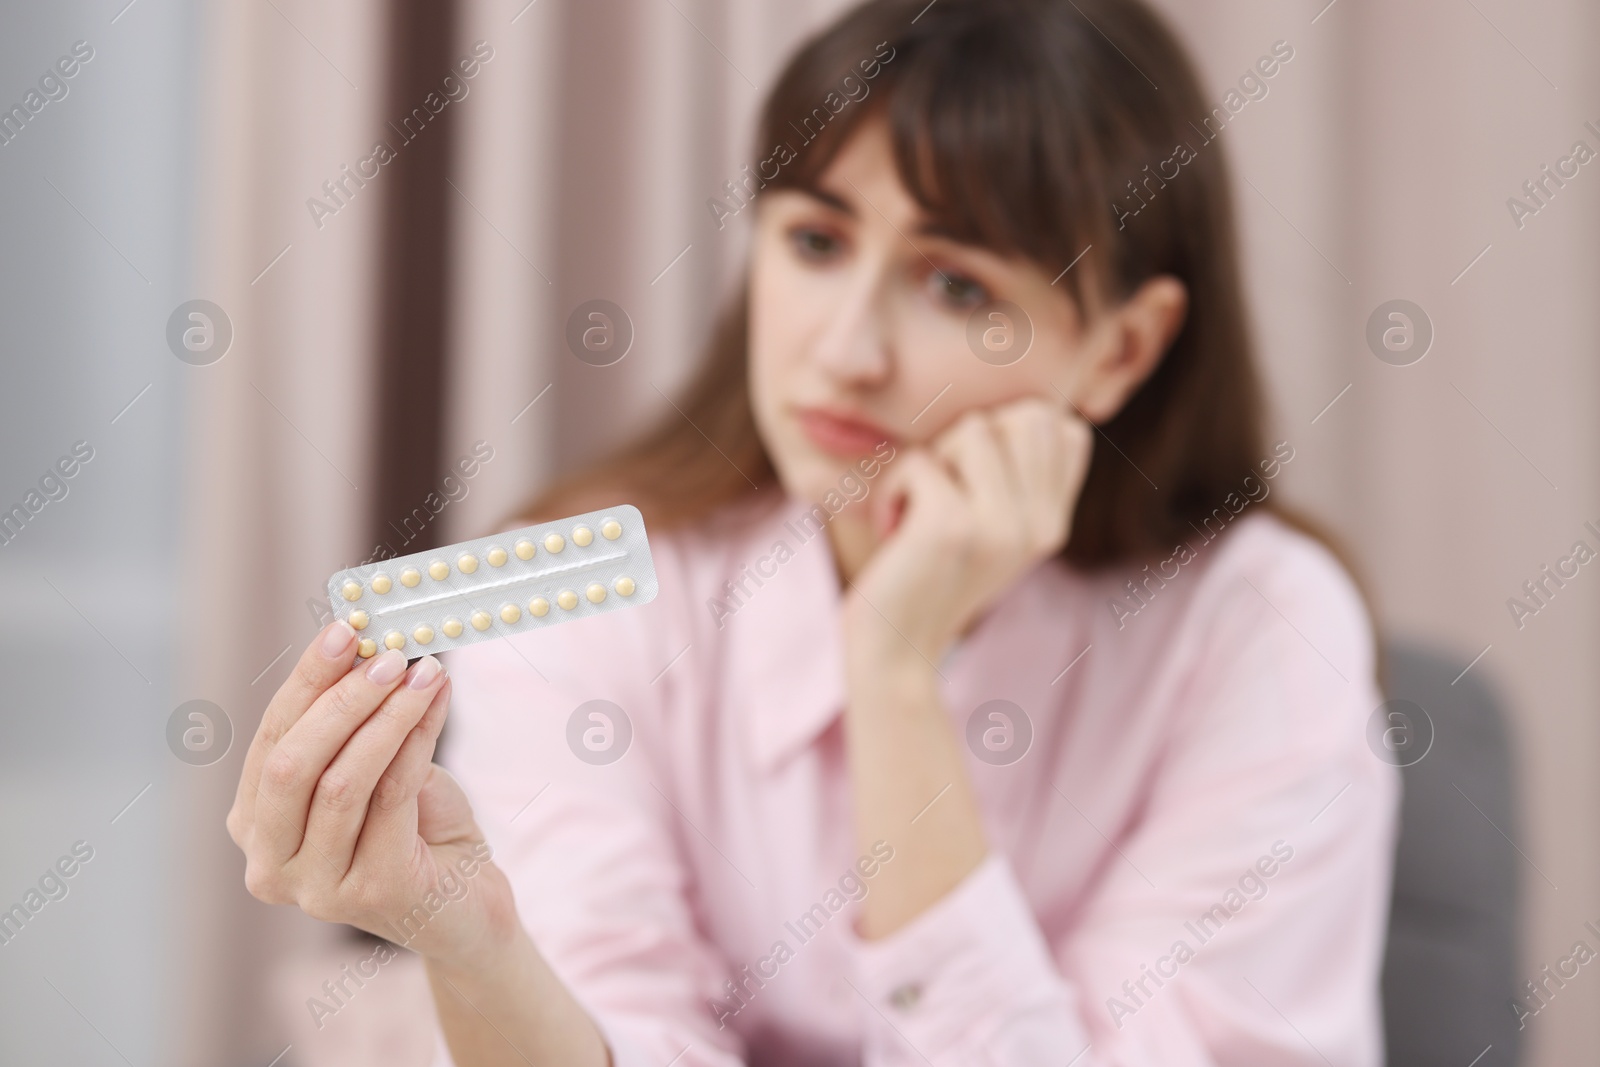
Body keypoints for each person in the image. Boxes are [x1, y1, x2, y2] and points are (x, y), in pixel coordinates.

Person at [227, 0, 1399, 1062]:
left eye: (957, 286)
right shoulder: (592, 596)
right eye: (816, 241)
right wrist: (472, 946)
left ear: (1121, 348)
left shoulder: (1260, 631)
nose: (844, 350)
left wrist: (893, 673)